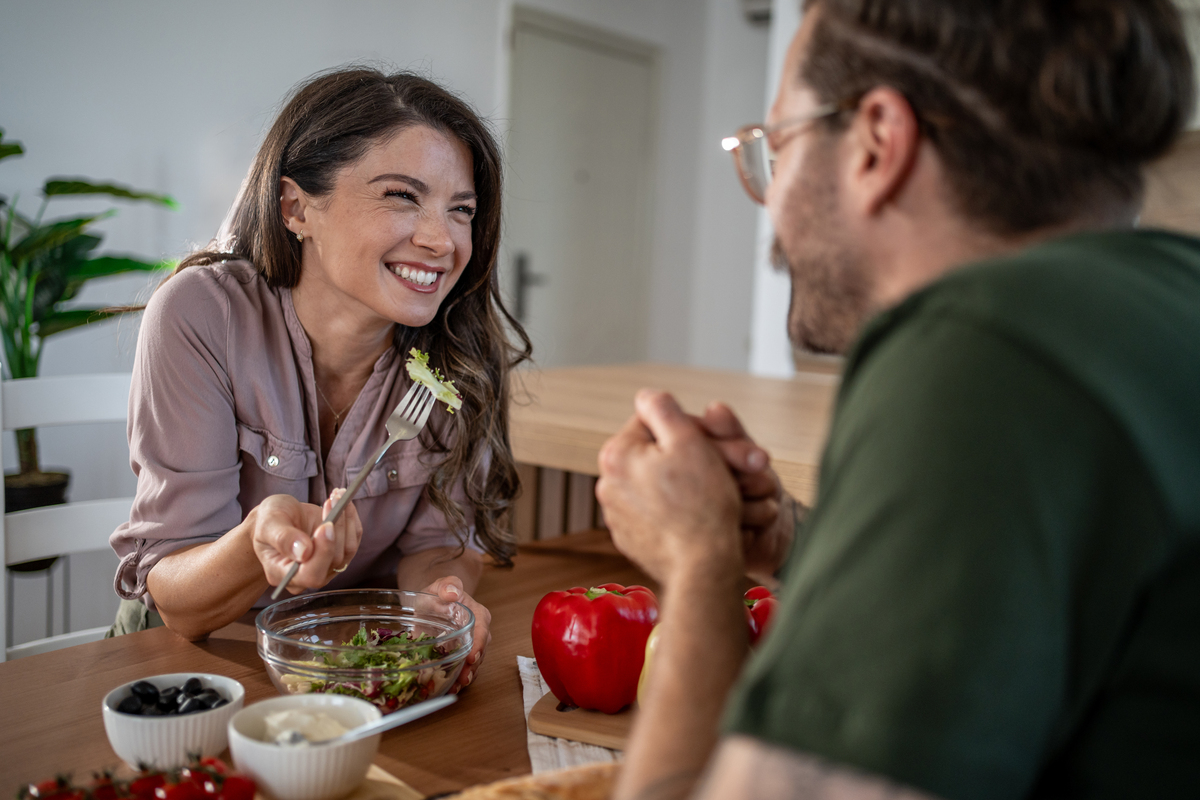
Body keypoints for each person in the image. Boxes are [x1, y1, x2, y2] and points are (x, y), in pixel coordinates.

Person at [597, 1, 1200, 798]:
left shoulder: (984, 350)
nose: (769, 201)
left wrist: (698, 566)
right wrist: (800, 543)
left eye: (776, 145)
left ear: (878, 141)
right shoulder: (1167, 297)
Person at [108, 69, 530, 692]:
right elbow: (179, 602)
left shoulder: (460, 351)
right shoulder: (201, 315)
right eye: (402, 196)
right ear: (296, 207)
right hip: (188, 661)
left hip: (343, 663)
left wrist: (438, 600)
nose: (442, 240)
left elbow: (441, 541)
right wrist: (257, 542)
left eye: (460, 210)